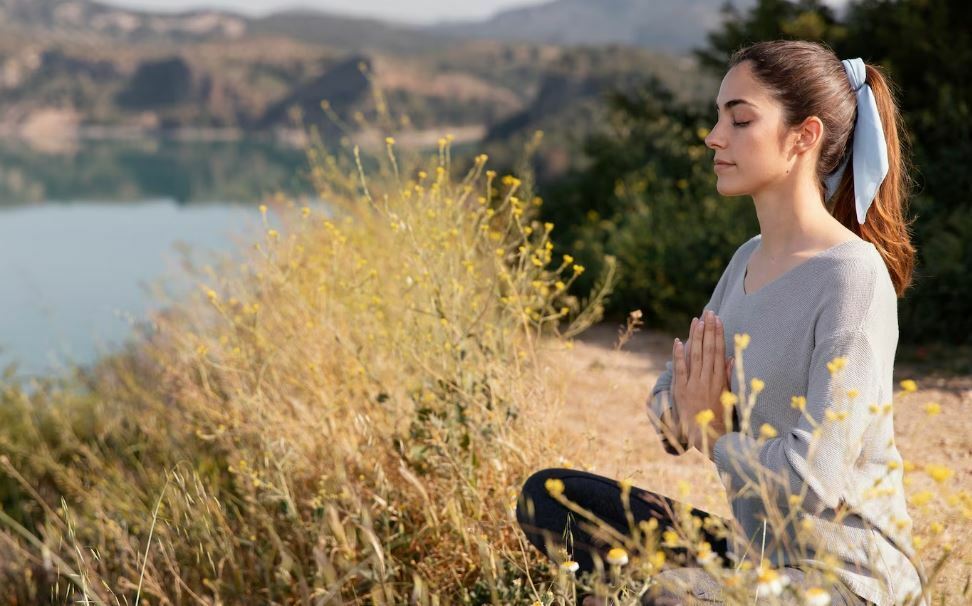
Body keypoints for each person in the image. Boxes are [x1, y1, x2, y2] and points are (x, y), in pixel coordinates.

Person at [516, 39, 929, 606]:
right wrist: (695, 416)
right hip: (757, 556)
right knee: (550, 498)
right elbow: (669, 399)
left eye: (740, 119)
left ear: (803, 136)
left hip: (844, 580)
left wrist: (714, 435)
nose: (714, 137)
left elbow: (814, 479)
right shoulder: (748, 259)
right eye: (718, 118)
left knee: (672, 596)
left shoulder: (851, 277)